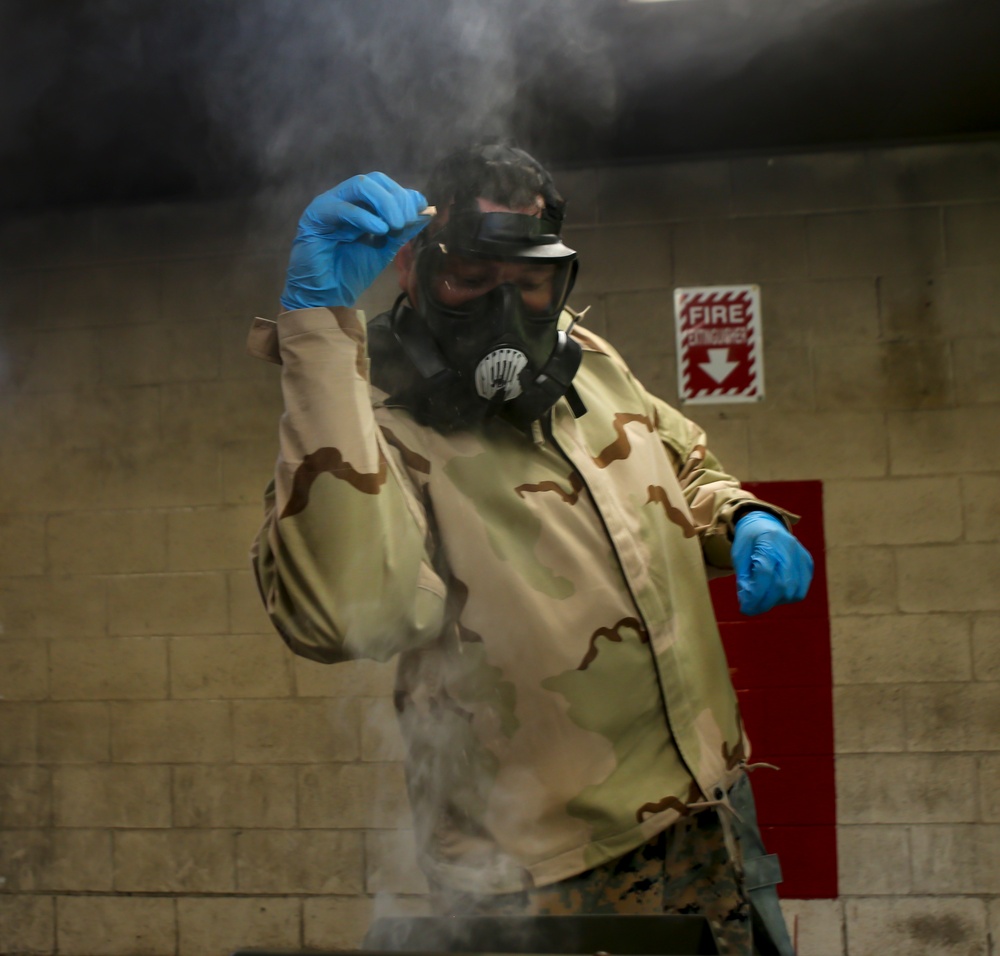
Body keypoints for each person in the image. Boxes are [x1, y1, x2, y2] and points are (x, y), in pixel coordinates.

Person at [248, 143, 813, 955]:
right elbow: (345, 616)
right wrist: (320, 339)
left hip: (713, 817)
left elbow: (683, 463)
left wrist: (742, 518)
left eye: (529, 283)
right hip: (545, 876)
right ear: (409, 267)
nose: (504, 313)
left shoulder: (590, 364)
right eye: (471, 280)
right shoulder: (368, 423)